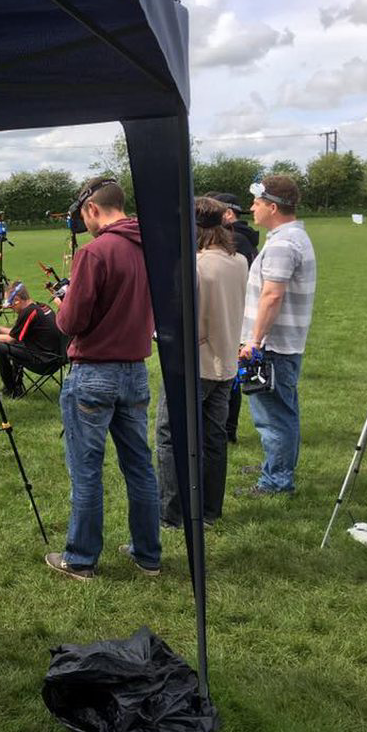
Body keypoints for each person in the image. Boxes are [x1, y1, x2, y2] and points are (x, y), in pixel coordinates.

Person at [43, 177, 161, 580]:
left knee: (86, 469)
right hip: (136, 371)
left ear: (92, 209)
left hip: (94, 372)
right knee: (140, 466)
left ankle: (80, 558)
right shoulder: (153, 246)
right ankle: (148, 553)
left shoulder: (95, 253)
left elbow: (71, 322)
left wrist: (63, 301)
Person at [157, 198, 247, 528]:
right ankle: (210, 510)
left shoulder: (195, 266)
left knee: (170, 437)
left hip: (195, 366)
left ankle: (172, 514)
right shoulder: (237, 260)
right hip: (225, 365)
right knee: (213, 438)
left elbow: (187, 325)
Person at [239, 175, 316, 495]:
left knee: (273, 417)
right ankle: (276, 465)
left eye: (257, 202)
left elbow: (272, 295)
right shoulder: (288, 238)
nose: (252, 208)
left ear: (273, 206)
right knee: (283, 410)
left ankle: (277, 480)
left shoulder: (284, 244)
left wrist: (255, 342)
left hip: (274, 346)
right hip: (283, 344)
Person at [206, 191, 259, 444]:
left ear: (228, 213)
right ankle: (227, 429)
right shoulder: (242, 242)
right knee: (228, 374)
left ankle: (228, 429)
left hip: (228, 318)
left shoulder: (236, 241)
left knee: (227, 377)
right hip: (236, 315)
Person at [0, 281, 66, 398]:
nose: (11, 308)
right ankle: (16, 386)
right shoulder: (41, 307)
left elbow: (11, 339)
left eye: (11, 304)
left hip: (44, 362)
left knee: (0, 348)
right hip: (55, 357)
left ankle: (11, 389)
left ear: (17, 299)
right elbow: (17, 333)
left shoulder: (29, 312)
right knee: (19, 342)